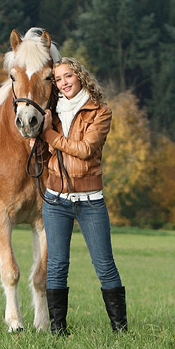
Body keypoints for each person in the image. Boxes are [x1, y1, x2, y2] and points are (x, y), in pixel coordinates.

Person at [41, 56, 127, 334]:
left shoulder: (100, 112)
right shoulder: (51, 111)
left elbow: (86, 149)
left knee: (104, 265)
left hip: (90, 201)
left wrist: (49, 135)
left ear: (80, 76)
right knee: (56, 265)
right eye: (58, 79)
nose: (63, 83)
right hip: (55, 199)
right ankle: (58, 330)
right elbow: (42, 147)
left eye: (68, 76)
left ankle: (120, 328)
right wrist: (36, 134)